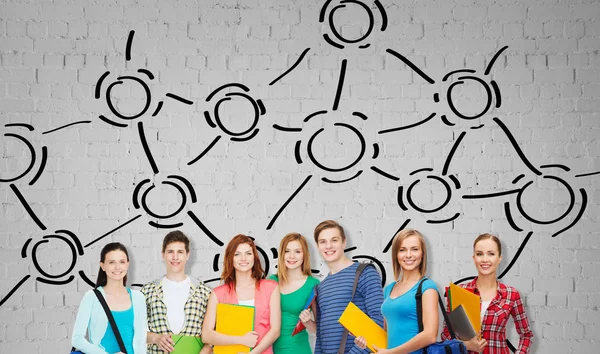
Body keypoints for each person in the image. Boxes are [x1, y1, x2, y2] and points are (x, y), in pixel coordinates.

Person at [441, 233, 533, 354]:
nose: (485, 259)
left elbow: (526, 335)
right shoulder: (458, 291)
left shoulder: (511, 295)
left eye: (491, 254)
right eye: (479, 254)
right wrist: (468, 345)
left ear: (499, 258)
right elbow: (446, 336)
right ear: (474, 258)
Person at [355, 228, 438, 353]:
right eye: (402, 250)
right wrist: (365, 339)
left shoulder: (427, 287)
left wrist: (391, 353)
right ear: (396, 255)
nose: (408, 255)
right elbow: (387, 335)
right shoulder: (389, 289)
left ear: (422, 253)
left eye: (414, 249)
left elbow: (430, 335)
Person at [313, 220, 384, 354]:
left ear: (344, 242)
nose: (328, 246)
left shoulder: (364, 272)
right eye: (323, 242)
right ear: (318, 246)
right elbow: (321, 334)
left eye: (334, 240)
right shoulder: (321, 287)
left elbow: (378, 320)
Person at [202, 234, 281, 354]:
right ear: (230, 258)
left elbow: (275, 331)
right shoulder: (218, 294)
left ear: (254, 257)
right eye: (237, 254)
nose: (243, 258)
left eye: (248, 253)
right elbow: (206, 335)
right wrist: (241, 340)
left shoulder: (271, 288)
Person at [141, 231, 212, 354]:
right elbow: (135, 331)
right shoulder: (148, 291)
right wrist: (156, 338)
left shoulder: (204, 292)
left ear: (187, 255)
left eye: (180, 252)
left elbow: (212, 336)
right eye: (170, 252)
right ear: (163, 254)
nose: (175, 257)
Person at [72, 242, 147, 354]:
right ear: (103, 266)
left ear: (127, 264)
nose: (117, 267)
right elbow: (77, 339)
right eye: (111, 262)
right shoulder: (91, 297)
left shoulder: (139, 298)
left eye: (122, 262)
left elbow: (141, 340)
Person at [268, 233, 320, 354]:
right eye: (287, 251)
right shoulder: (271, 281)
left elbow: (319, 330)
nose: (292, 256)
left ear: (305, 255)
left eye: (297, 251)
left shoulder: (313, 284)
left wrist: (307, 322)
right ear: (282, 254)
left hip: (297, 349)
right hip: (269, 349)